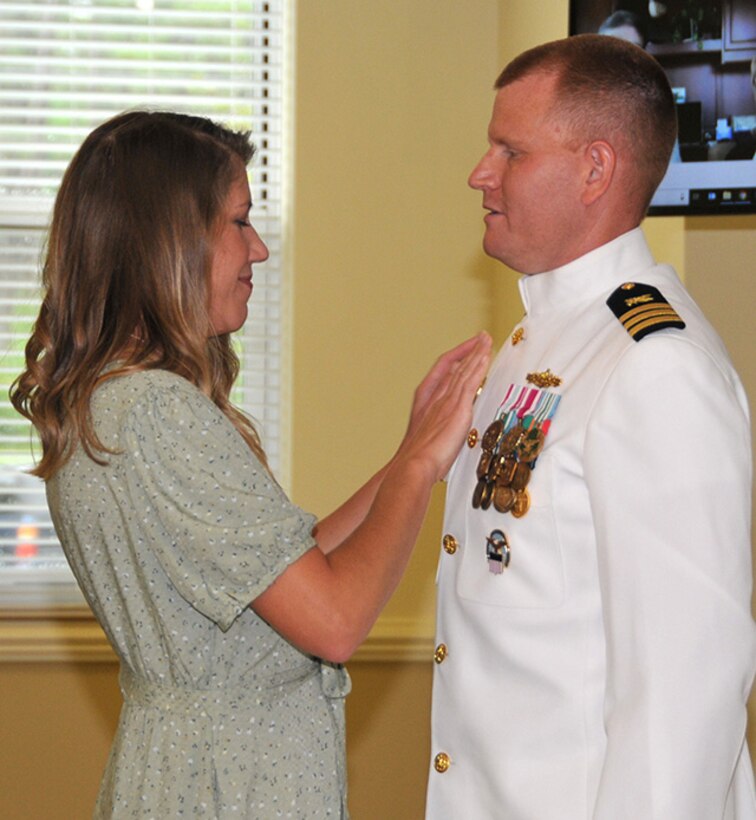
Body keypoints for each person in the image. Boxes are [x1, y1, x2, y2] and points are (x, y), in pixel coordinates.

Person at [10, 110, 491, 818]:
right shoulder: (154, 414)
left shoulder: (107, 401)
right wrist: (419, 469)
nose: (259, 249)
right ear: (170, 243)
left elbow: (290, 566)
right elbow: (333, 620)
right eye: (239, 222)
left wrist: (408, 454)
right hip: (225, 790)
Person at [426, 34, 755, 819]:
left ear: (595, 169)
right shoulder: (535, 343)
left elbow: (685, 697)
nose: (481, 173)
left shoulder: (654, 365)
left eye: (511, 151)